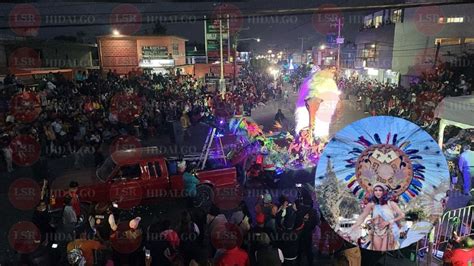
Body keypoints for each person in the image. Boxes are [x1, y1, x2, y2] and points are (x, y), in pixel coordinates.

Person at [349, 183, 405, 251]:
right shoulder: (371, 204)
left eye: (380, 190)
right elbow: (362, 217)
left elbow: (402, 215)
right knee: (377, 251)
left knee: (384, 251)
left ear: (384, 192)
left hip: (389, 230)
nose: (377, 192)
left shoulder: (390, 203)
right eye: (375, 190)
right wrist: (352, 228)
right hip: (376, 231)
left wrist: (389, 221)